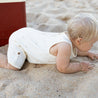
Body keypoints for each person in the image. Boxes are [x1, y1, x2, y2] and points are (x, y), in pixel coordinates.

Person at [0, 13, 98, 74]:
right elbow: (63, 67)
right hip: (20, 40)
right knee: (13, 67)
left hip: (29, 35)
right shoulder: (65, 47)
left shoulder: (69, 37)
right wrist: (80, 66)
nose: (92, 46)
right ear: (79, 40)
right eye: (91, 43)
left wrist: (87, 53)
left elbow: (77, 49)